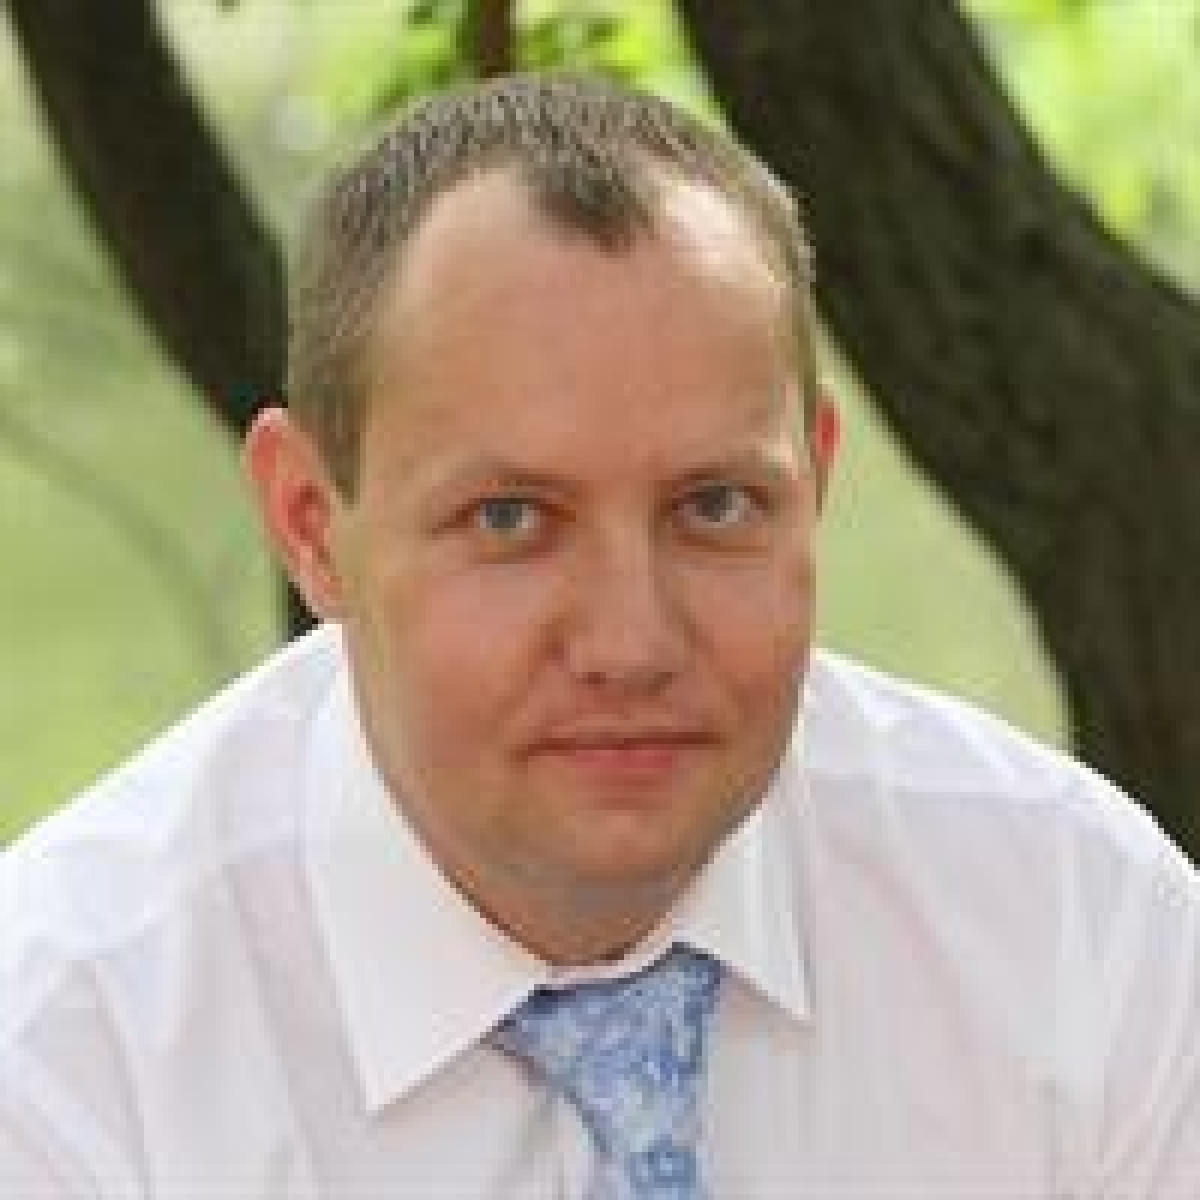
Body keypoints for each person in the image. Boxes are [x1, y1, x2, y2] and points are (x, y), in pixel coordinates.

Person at [2, 73, 1197, 1198]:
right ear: (311, 522)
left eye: (715, 506)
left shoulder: (1074, 925)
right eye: (510, 520)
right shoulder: (65, 1055)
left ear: (815, 481)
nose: (632, 643)